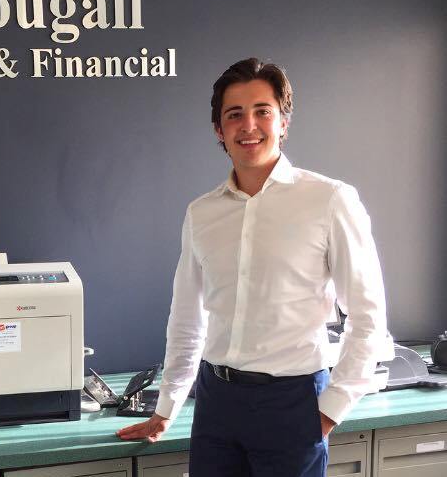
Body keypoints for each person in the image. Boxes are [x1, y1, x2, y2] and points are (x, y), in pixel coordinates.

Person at [116, 58, 388, 477]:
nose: (249, 125)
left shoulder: (330, 200)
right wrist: (167, 406)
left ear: (283, 122)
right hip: (216, 402)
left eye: (263, 111)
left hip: (293, 403)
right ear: (218, 129)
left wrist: (330, 412)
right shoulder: (201, 213)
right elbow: (188, 318)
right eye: (234, 114)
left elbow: (368, 316)